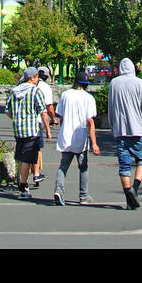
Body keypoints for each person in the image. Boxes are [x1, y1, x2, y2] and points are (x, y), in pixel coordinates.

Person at [107, 58, 142, 209]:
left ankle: (129, 198)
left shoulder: (114, 84)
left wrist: (112, 127)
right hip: (137, 130)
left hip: (121, 131)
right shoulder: (139, 83)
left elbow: (110, 107)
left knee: (124, 166)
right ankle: (135, 188)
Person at [52, 73, 100, 206]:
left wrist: (63, 129)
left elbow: (60, 116)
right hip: (81, 136)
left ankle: (59, 190)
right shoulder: (89, 98)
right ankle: (84, 196)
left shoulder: (65, 95)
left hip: (66, 135)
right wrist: (94, 143)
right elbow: (90, 121)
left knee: (63, 166)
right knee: (83, 167)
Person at [5, 66, 51, 199]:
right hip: (31, 129)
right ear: (32, 78)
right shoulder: (35, 92)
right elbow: (43, 112)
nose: (38, 80)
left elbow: (7, 110)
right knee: (27, 159)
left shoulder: (14, 91)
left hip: (18, 129)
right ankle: (23, 187)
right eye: (37, 77)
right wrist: (47, 130)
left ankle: (21, 182)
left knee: (21, 158)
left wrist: (17, 118)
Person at [31, 65, 57, 186]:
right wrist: (53, 120)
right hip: (37, 121)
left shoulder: (24, 85)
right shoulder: (45, 88)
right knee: (37, 148)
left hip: (22, 122)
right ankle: (36, 172)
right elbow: (48, 108)